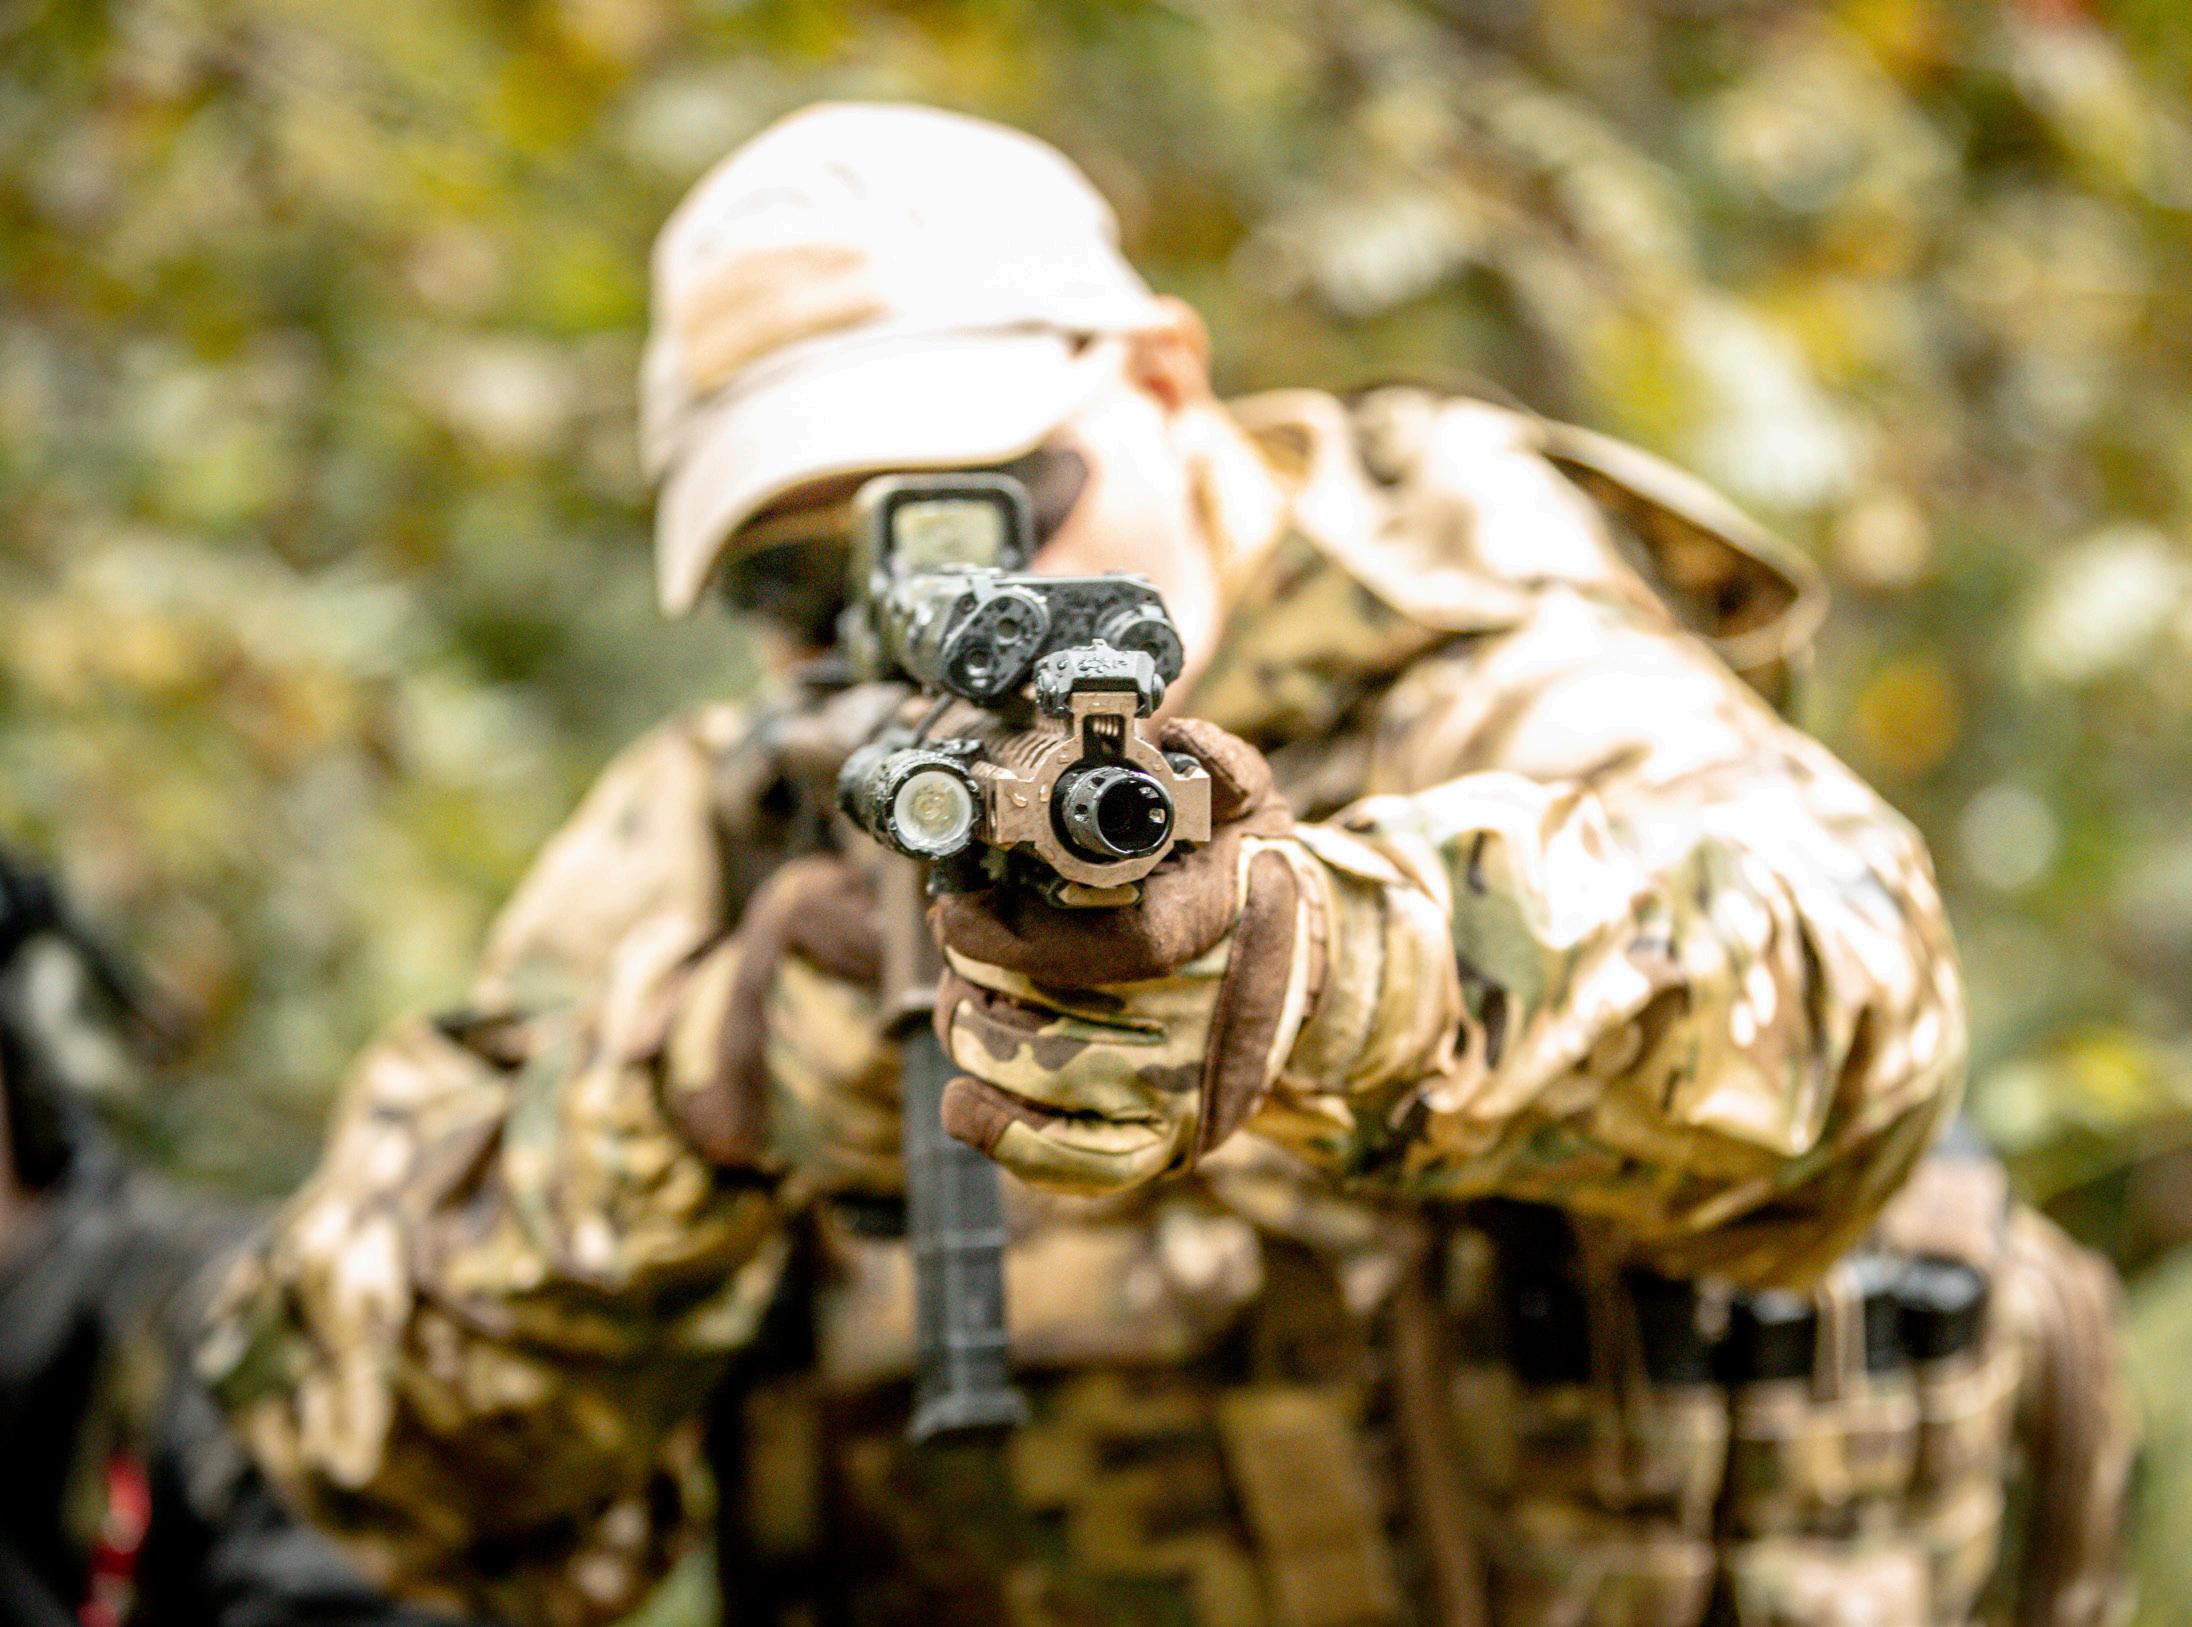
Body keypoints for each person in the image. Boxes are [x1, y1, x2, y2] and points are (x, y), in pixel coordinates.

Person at [196, 103, 2132, 1627]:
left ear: (1166, 380)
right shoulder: (734, 831)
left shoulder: (1493, 667)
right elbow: (349, 1444)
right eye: (796, 578)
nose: (902, 620)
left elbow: (1854, 1013)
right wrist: (696, 1101)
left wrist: (1329, 970)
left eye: (975, 511)